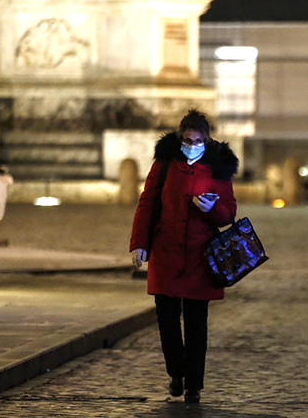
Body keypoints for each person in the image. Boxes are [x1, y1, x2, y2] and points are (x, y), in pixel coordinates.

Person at [129, 110, 238, 404]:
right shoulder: (165, 163)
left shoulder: (218, 167)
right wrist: (139, 243)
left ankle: (194, 385)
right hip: (165, 251)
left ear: (207, 139)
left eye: (198, 140)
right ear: (180, 139)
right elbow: (148, 202)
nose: (192, 144)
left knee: (196, 324)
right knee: (166, 318)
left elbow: (228, 212)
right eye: (187, 140)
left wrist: (209, 210)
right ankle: (176, 372)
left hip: (200, 257)